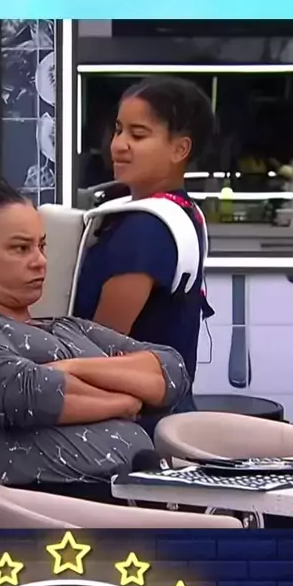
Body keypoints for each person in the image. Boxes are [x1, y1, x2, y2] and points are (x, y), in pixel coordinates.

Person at [0, 167, 190, 502]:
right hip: (56, 512)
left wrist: (72, 368)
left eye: (41, 246)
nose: (40, 261)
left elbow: (171, 371)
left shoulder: (67, 327)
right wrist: (127, 400)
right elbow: (28, 393)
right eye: (21, 249)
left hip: (142, 498)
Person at [74, 77, 216, 418]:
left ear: (180, 149)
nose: (119, 145)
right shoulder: (182, 211)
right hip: (166, 413)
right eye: (118, 130)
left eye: (138, 135)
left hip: (130, 423)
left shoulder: (146, 228)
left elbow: (100, 348)